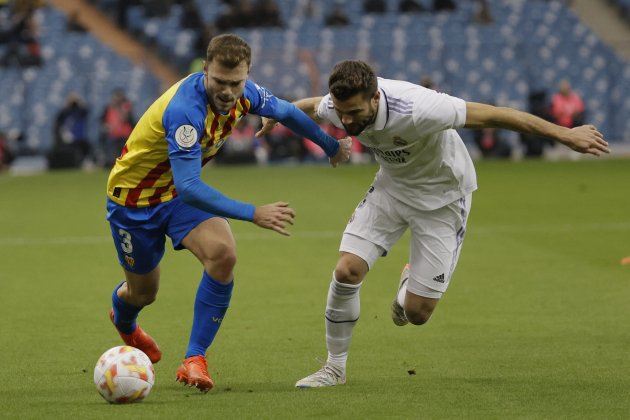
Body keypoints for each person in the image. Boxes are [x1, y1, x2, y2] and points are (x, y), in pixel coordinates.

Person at [257, 60, 609, 388]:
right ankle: (334, 368)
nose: (347, 122)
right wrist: (277, 116)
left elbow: (496, 116)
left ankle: (409, 283)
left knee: (417, 313)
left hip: (444, 198)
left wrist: (565, 134)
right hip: (392, 188)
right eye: (342, 113)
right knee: (347, 270)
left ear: (376, 97)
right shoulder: (339, 104)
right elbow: (308, 104)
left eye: (355, 113)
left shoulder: (420, 107)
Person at [106, 34, 352, 394]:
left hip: (174, 195)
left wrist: (331, 145)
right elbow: (191, 186)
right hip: (134, 203)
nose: (227, 91)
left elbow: (283, 110)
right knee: (143, 294)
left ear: (247, 74)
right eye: (219, 82)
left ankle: (194, 359)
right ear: (205, 70)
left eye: (235, 83)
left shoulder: (246, 92)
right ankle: (124, 322)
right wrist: (253, 213)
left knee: (223, 254)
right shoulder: (185, 110)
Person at [101, 89, 134, 168]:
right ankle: (111, 164)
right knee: (113, 152)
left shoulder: (126, 106)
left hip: (125, 134)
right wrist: (106, 126)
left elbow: (128, 118)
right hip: (113, 134)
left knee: (125, 154)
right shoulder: (108, 108)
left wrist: (121, 110)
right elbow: (103, 120)